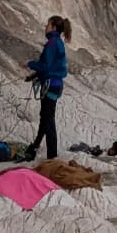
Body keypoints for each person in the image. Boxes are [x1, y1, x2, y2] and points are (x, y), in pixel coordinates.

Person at [24, 15, 70, 160]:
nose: (45, 27)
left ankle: (52, 157)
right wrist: (34, 76)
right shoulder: (58, 42)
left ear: (54, 27)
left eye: (48, 24)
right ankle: (36, 146)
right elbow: (52, 66)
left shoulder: (52, 43)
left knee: (48, 120)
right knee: (46, 118)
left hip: (50, 85)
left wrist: (30, 64)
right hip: (55, 84)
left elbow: (46, 66)